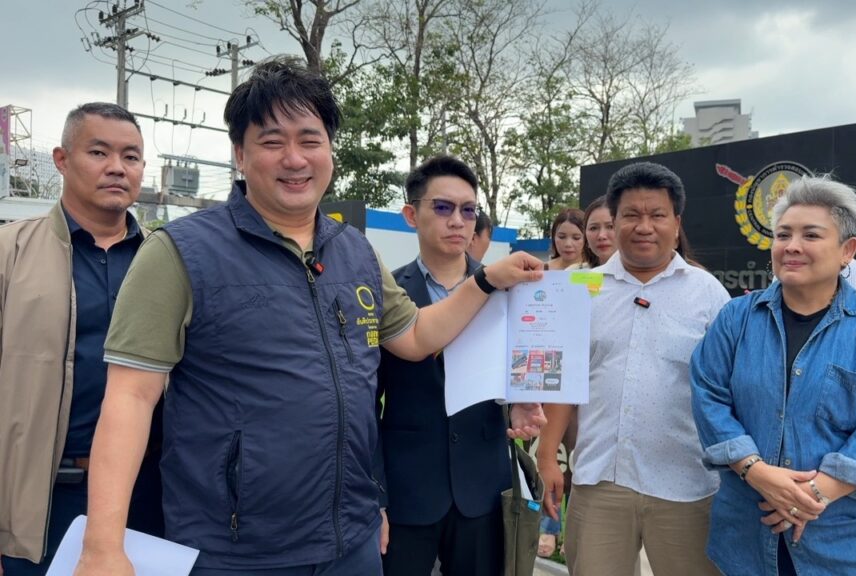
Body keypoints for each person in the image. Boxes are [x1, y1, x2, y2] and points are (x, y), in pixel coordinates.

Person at [73, 58, 545, 576]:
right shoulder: (180, 252)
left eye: (310, 139)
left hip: (351, 542)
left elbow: (414, 336)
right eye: (272, 141)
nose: (294, 158)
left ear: (330, 150)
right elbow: (130, 398)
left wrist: (484, 281)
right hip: (236, 551)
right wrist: (103, 546)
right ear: (240, 153)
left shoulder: (355, 252)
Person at [690, 175, 856, 576]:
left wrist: (809, 496)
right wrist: (755, 471)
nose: (792, 246)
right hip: (748, 533)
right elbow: (708, 394)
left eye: (810, 235)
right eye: (783, 235)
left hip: (848, 544)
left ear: (847, 250)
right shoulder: (736, 320)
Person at [538, 162, 728, 576]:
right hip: (600, 481)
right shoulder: (582, 288)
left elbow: (728, 389)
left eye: (657, 215)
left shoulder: (708, 293)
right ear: (615, 220)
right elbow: (565, 379)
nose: (644, 226)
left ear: (676, 223)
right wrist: (548, 456)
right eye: (631, 215)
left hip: (686, 485)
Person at [0, 103, 163, 575]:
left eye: (130, 157)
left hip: (150, 493)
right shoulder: (11, 253)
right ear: (62, 159)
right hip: (40, 497)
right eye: (98, 152)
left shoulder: (167, 260)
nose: (117, 167)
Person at [375, 156, 514, 575]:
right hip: (407, 488)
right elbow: (365, 402)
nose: (457, 221)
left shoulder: (507, 291)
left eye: (468, 210)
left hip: (482, 487)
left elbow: (522, 372)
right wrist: (374, 493)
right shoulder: (385, 293)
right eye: (442, 207)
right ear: (410, 215)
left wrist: (526, 402)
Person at [538, 195, 616, 559]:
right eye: (594, 228)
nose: (570, 243)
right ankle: (549, 526)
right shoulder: (557, 275)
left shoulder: (590, 277)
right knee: (552, 456)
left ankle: (576, 530)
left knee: (582, 461)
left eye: (608, 227)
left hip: (599, 396)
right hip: (559, 382)